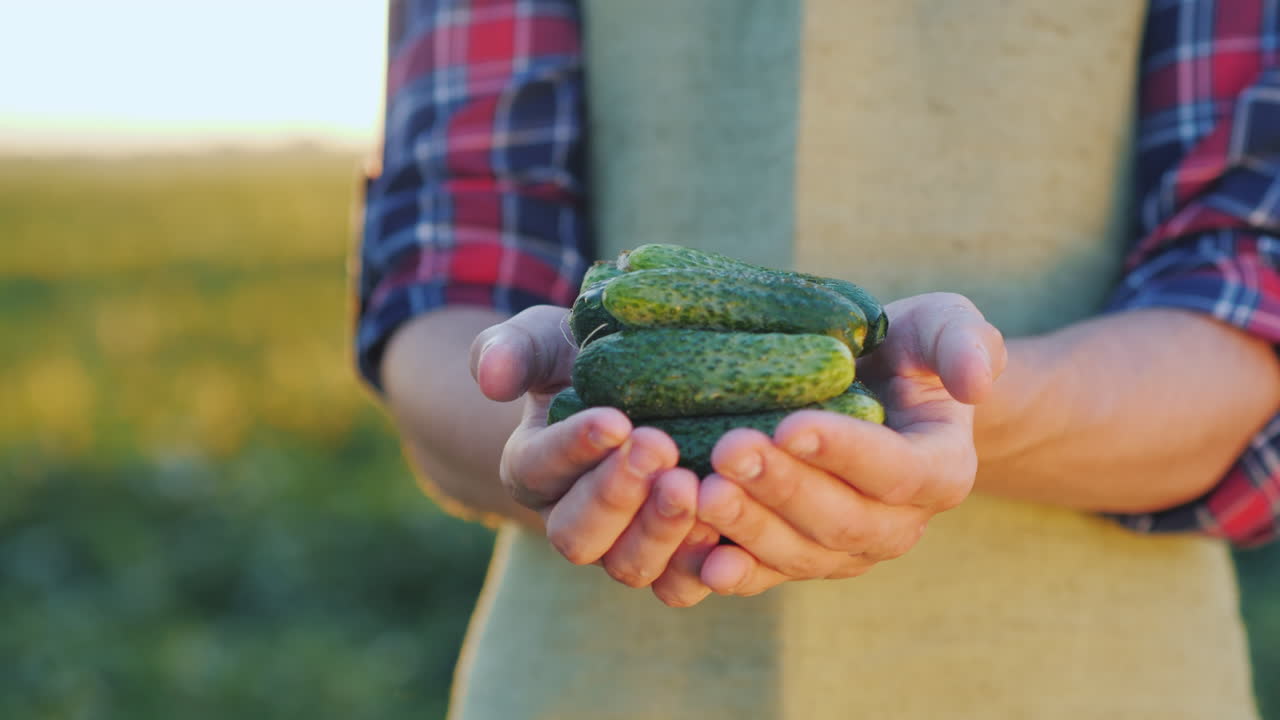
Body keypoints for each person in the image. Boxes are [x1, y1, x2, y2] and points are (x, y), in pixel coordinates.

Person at [356, 1, 1280, 717]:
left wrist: (962, 403)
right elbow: (450, 277)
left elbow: (1243, 304)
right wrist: (556, 433)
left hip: (1099, 676)